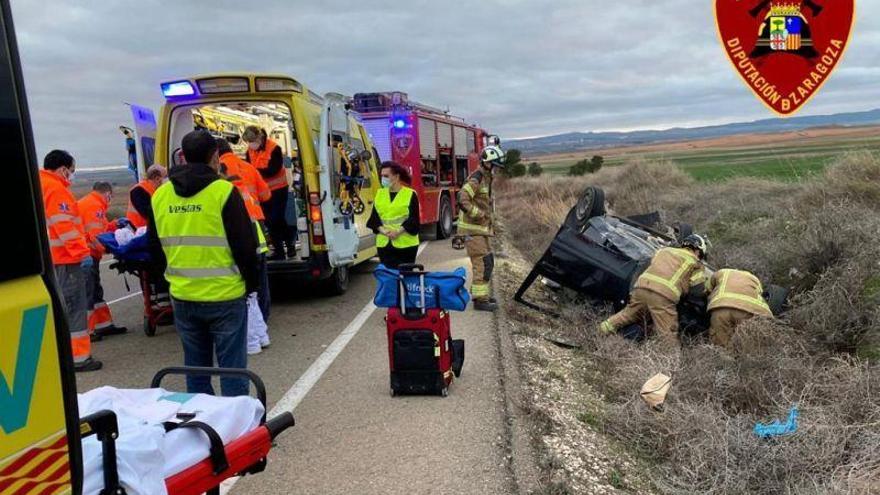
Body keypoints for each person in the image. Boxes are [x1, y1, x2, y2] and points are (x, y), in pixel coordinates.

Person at [148, 130, 259, 397]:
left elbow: (154, 247)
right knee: (232, 371)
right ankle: (236, 431)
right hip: (225, 295)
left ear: (183, 157)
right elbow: (244, 246)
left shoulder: (161, 196)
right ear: (215, 156)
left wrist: (165, 284)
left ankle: (200, 428)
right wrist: (252, 284)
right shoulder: (223, 192)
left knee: (196, 371)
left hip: (183, 295)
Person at [38, 150, 102, 371]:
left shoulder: (41, 185)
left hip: (53, 260)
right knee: (74, 307)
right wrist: (81, 253)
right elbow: (64, 226)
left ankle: (65, 354)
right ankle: (79, 358)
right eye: (72, 171)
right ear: (63, 169)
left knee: (62, 307)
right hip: (66, 259)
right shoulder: (56, 189)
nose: (72, 175)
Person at [598, 234, 710, 349]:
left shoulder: (663, 251)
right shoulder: (695, 263)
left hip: (641, 289)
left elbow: (644, 266)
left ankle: (598, 332)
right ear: (698, 251)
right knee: (667, 332)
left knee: (625, 316)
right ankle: (671, 362)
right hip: (663, 297)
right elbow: (697, 291)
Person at [217, 138, 271, 324]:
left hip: (232, 223)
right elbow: (266, 194)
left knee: (237, 272)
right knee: (260, 274)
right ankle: (262, 318)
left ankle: (244, 320)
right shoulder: (248, 166)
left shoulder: (217, 171)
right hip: (257, 223)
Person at [77, 181, 128, 338]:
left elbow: (102, 229)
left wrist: (115, 225)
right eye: (110, 196)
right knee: (89, 293)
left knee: (95, 291)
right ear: (107, 193)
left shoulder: (91, 203)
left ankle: (103, 325)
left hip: (88, 254)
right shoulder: (94, 206)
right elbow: (95, 236)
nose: (110, 199)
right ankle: (88, 331)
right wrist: (111, 250)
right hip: (87, 254)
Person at [458, 145, 505, 312]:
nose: (497, 170)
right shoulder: (477, 178)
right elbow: (463, 199)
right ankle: (480, 300)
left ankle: (481, 294)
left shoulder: (485, 178)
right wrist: (479, 215)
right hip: (472, 230)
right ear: (487, 163)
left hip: (479, 230)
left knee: (488, 262)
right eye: (495, 166)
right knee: (481, 262)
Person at [242, 126, 292, 261]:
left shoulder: (274, 148)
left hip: (279, 190)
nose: (250, 145)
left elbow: (273, 170)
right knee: (271, 221)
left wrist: (255, 171)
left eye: (251, 141)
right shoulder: (250, 151)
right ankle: (282, 250)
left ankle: (287, 246)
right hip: (263, 192)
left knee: (276, 219)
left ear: (259, 138)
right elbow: (248, 168)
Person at [127, 163, 171, 310]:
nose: (167, 180)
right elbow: (149, 213)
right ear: (157, 178)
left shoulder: (155, 191)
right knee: (153, 272)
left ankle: (161, 303)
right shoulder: (139, 191)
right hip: (142, 237)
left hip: (152, 235)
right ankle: (157, 304)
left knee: (157, 270)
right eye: (165, 177)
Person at [367, 161, 421, 268]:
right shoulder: (380, 194)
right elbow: (374, 219)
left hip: (406, 244)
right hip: (384, 244)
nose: (383, 179)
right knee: (390, 278)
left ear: (396, 177)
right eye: (382, 176)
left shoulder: (410, 194)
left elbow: (413, 219)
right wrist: (384, 231)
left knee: (406, 277)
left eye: (386, 176)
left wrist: (397, 232)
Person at [705, 268, 773, 348]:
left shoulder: (722, 272)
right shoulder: (754, 279)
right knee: (748, 345)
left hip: (723, 307)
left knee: (720, 344)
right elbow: (759, 293)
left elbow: (707, 289)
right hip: (753, 311)